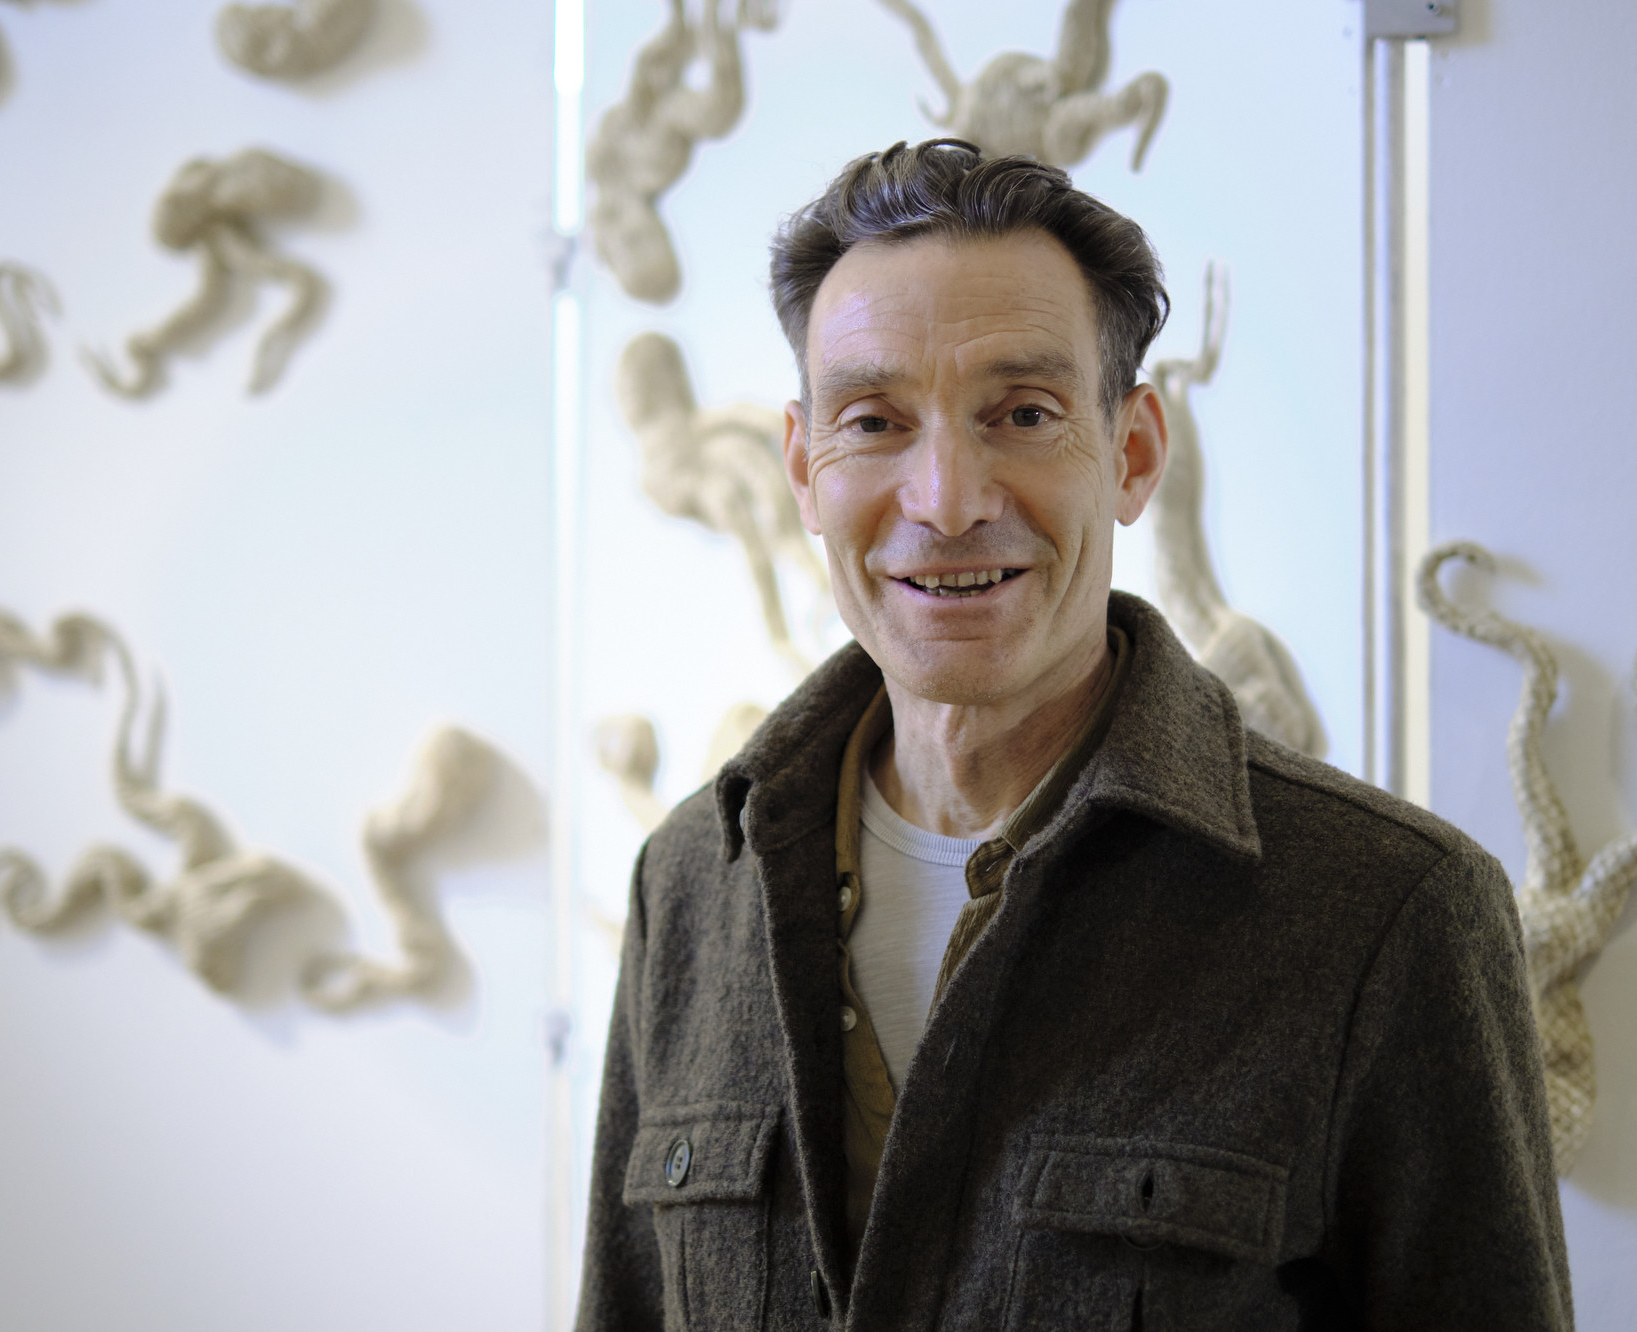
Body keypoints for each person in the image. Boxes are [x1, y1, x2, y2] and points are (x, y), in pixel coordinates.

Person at [575, 139, 1572, 1330]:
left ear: (1132, 453)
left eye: (1022, 414)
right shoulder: (690, 883)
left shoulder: (1390, 912)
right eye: (873, 421)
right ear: (803, 468)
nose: (946, 500)